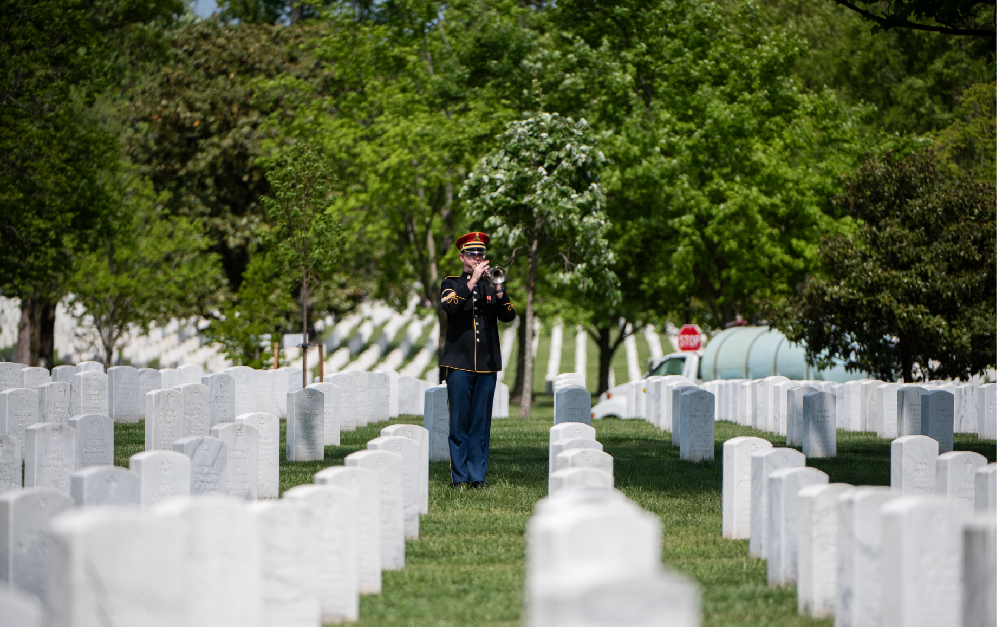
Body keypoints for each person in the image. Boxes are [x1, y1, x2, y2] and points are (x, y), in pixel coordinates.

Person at [439, 231, 516, 489]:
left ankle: (477, 477)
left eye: (481, 254)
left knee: (480, 424)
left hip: (487, 364)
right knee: (459, 422)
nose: (477, 258)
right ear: (462, 257)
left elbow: (509, 315)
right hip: (459, 364)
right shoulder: (451, 284)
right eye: (472, 254)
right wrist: (471, 281)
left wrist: (498, 288)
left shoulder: (490, 286)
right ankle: (459, 477)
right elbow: (450, 306)